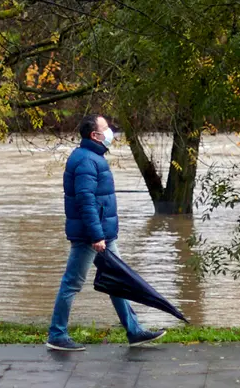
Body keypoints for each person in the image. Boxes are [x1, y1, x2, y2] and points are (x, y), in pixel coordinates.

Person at [47, 115, 166, 351]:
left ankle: (134, 331)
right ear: (95, 135)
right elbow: (86, 201)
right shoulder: (85, 161)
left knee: (117, 280)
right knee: (72, 283)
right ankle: (57, 334)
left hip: (103, 234)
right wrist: (96, 236)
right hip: (91, 237)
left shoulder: (93, 157)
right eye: (106, 128)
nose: (110, 131)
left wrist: (102, 234)